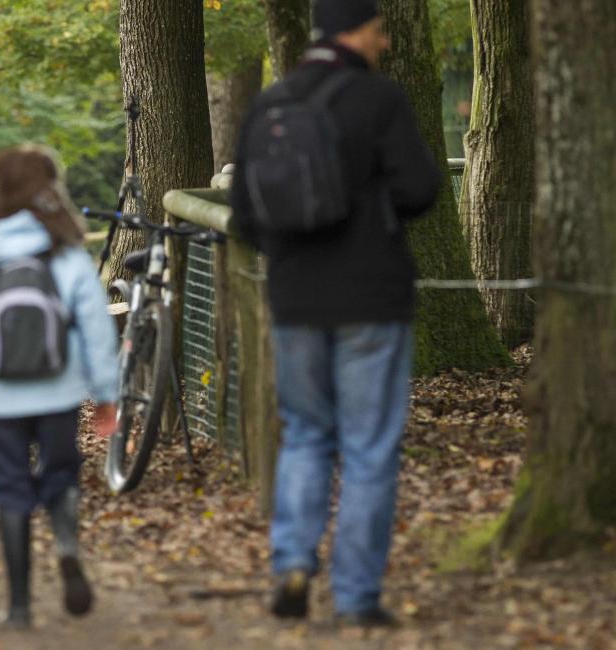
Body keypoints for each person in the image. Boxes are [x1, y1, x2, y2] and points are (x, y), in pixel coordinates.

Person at [229, 0, 441, 629]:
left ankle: (292, 561)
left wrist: (290, 253)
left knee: (306, 434)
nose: (385, 43)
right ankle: (356, 595)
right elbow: (421, 188)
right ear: (357, 30)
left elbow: (245, 210)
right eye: (380, 30)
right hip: (372, 298)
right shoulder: (378, 101)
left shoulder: (271, 103)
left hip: (296, 299)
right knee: (370, 446)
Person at [0, 144, 119, 629]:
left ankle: (18, 608)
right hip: (60, 394)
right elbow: (98, 331)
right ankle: (68, 547)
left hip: (2, 398)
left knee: (12, 488)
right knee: (61, 476)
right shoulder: (68, 256)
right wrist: (105, 394)